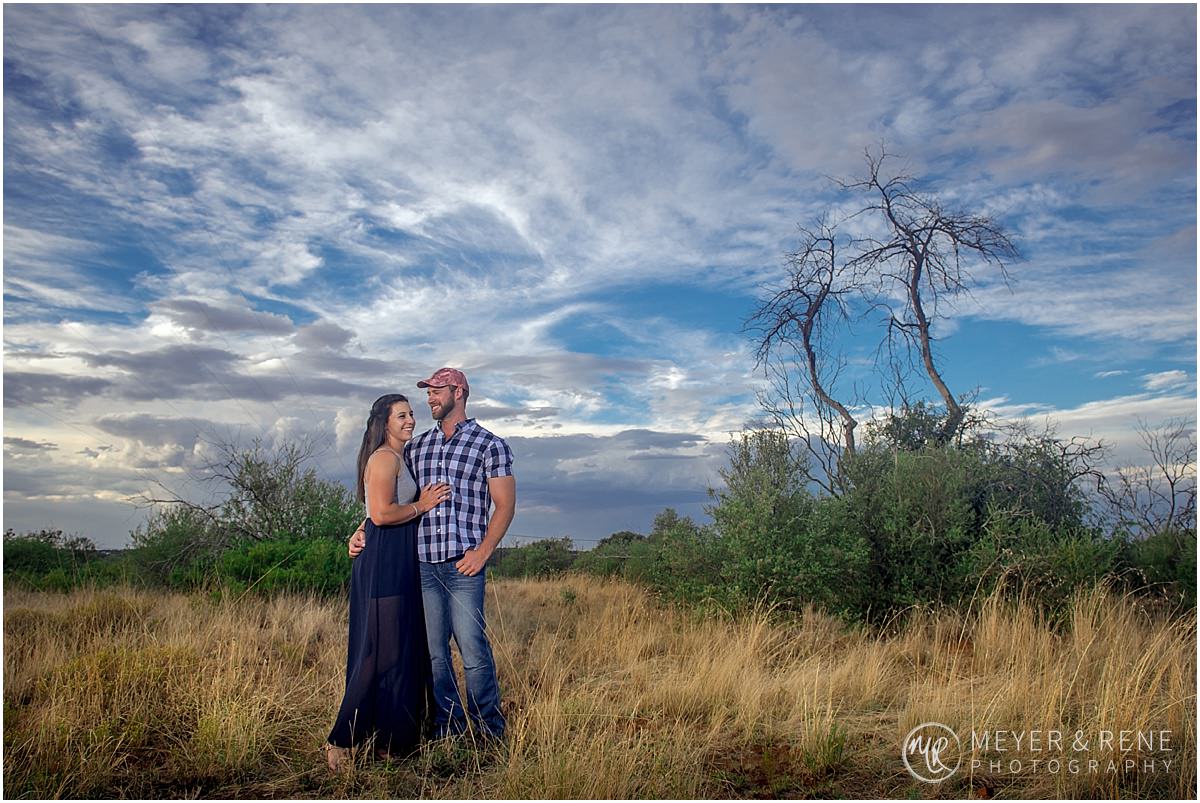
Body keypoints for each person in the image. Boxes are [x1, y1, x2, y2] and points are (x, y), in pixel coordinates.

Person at [349, 368, 516, 741]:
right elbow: (392, 499)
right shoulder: (416, 447)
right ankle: (448, 728)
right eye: (427, 393)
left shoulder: (490, 445)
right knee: (434, 655)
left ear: (459, 392)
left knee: (473, 650)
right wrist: (363, 530)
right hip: (421, 564)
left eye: (437, 391)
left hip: (463, 565)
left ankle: (488, 732)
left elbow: (504, 506)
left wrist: (483, 552)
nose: (430, 399)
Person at [325, 394, 452, 772]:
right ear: (384, 422)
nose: (410, 420)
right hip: (383, 562)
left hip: (398, 559)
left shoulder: (400, 457)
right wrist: (422, 506)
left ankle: (389, 741)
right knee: (377, 652)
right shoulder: (383, 457)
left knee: (397, 653)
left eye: (412, 414)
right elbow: (380, 514)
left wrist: (364, 526)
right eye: (402, 415)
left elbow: (372, 515)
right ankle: (339, 740)